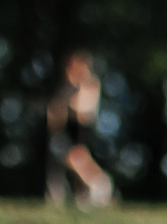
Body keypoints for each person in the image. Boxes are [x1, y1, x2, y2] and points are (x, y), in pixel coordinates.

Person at [45, 51, 115, 208]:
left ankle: (101, 184)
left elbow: (83, 110)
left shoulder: (89, 84)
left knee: (76, 158)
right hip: (69, 127)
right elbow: (55, 113)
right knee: (73, 161)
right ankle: (86, 193)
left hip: (82, 127)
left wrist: (66, 105)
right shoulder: (68, 87)